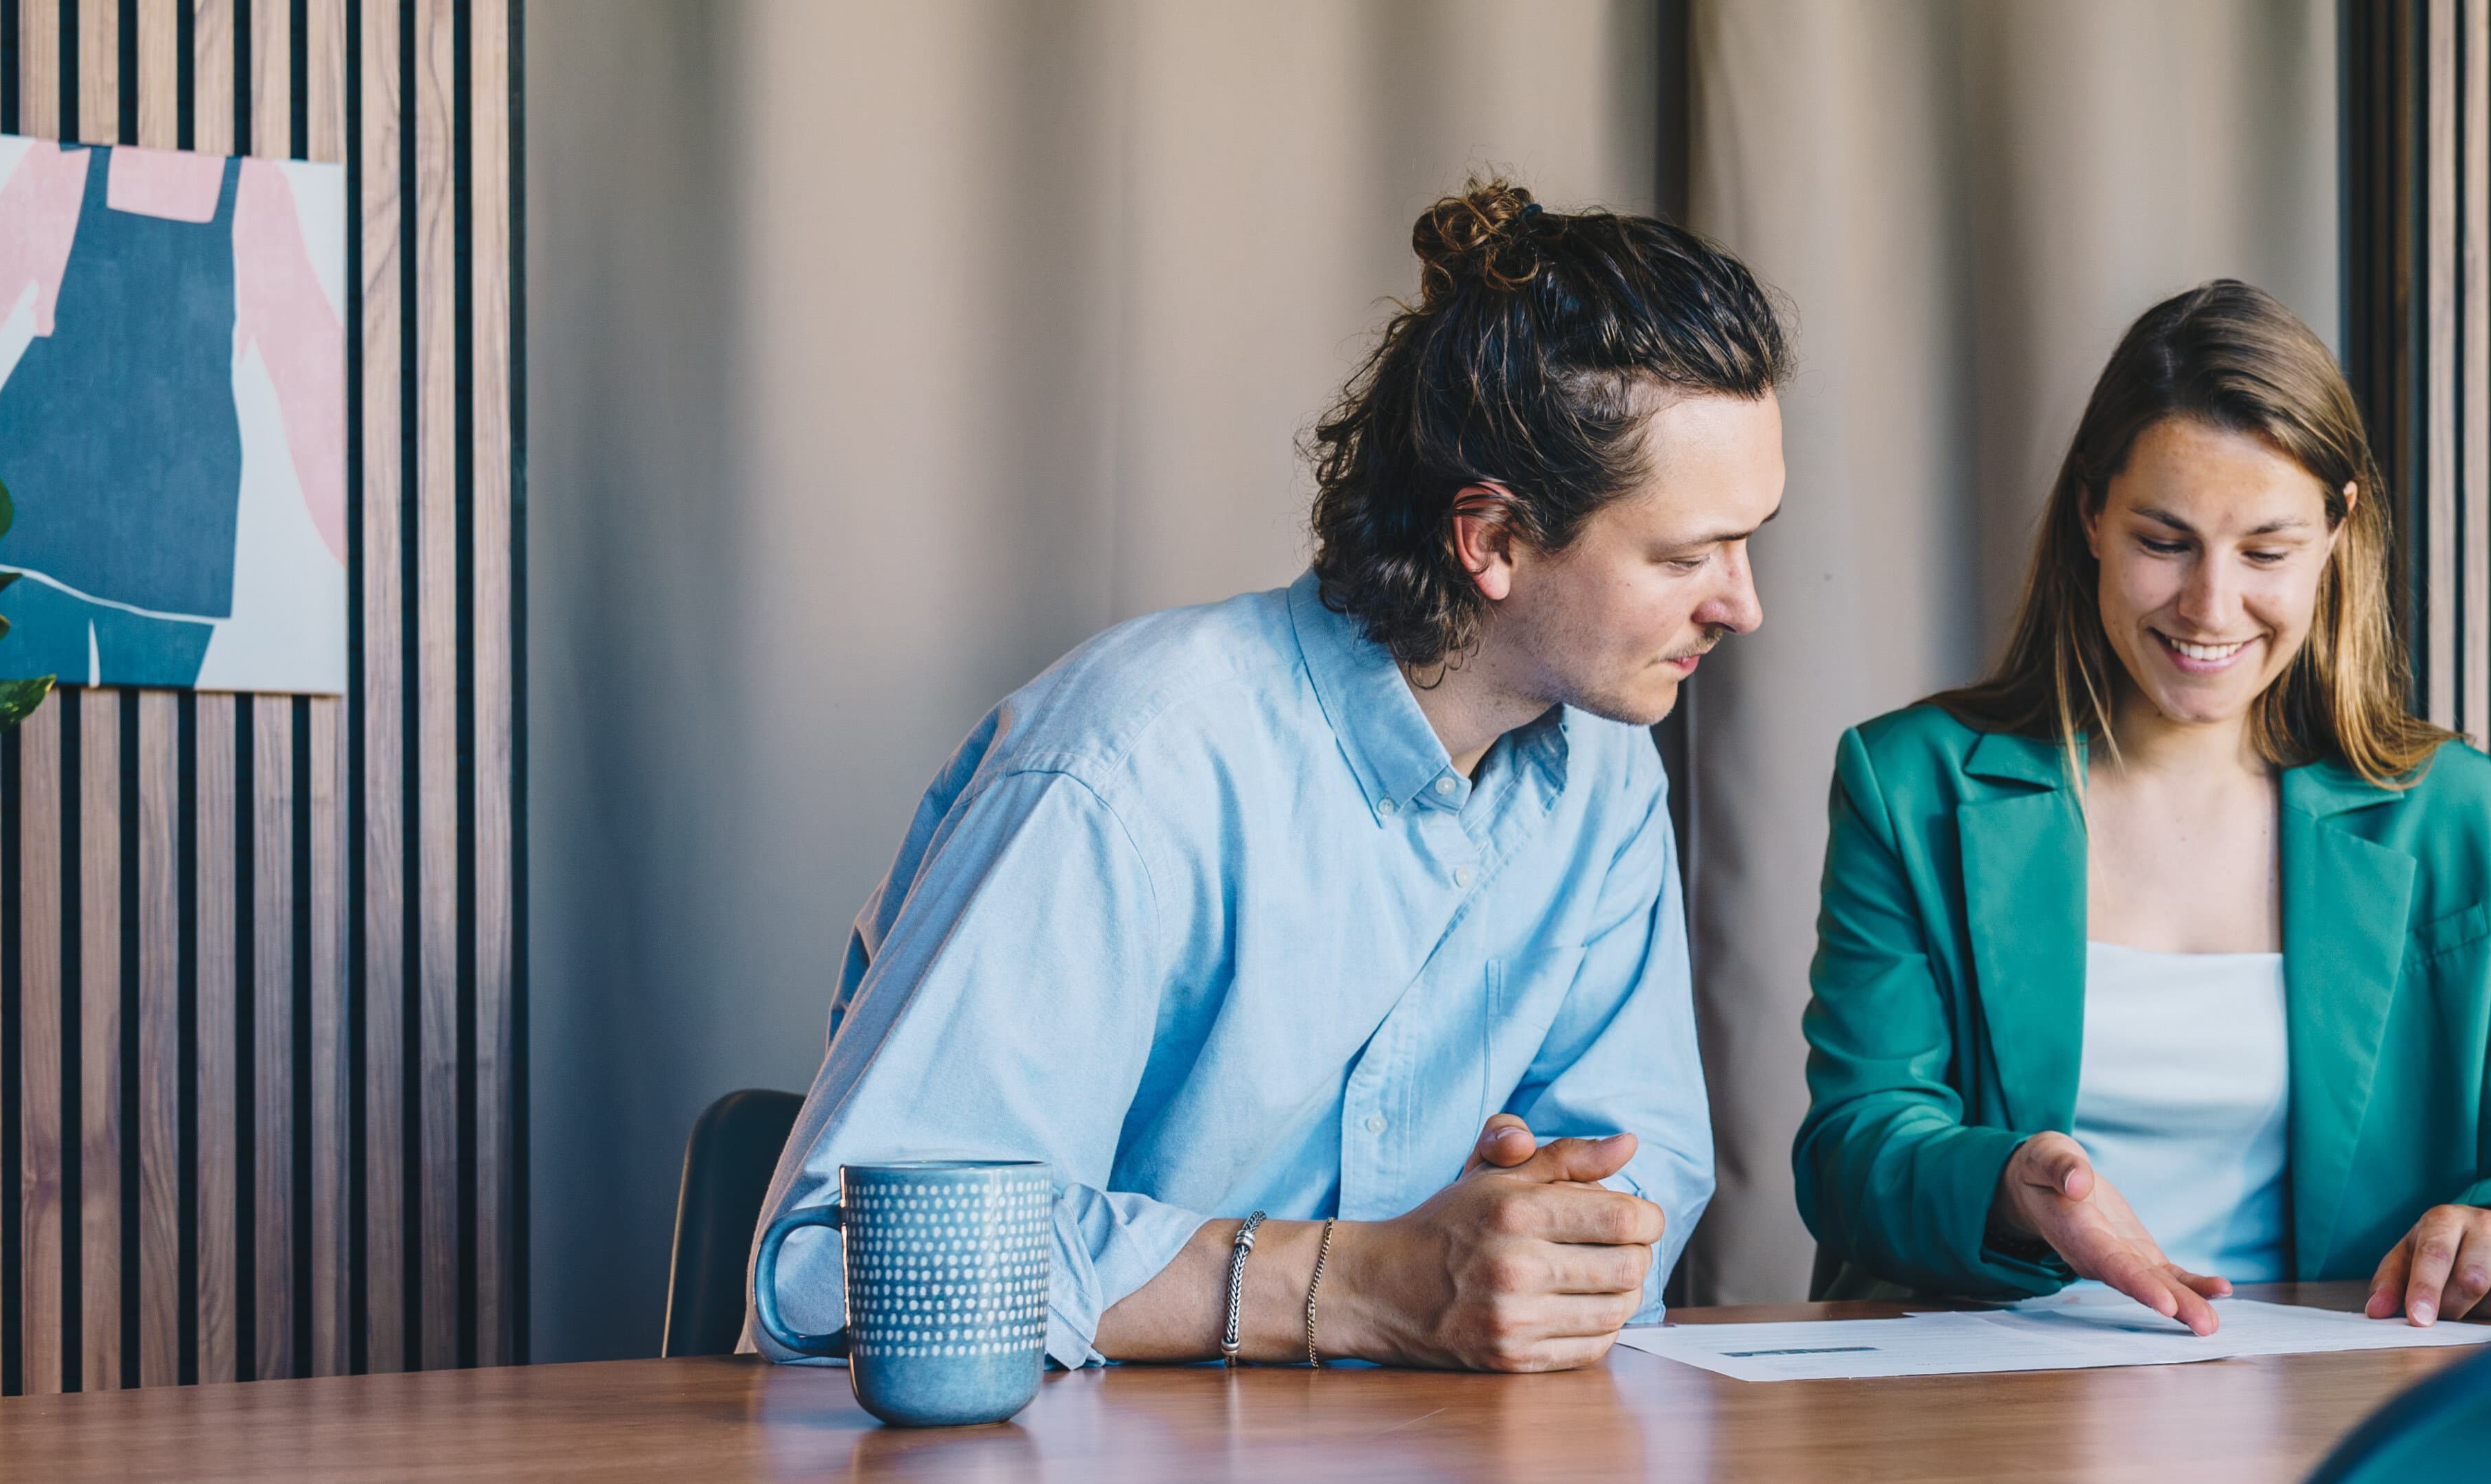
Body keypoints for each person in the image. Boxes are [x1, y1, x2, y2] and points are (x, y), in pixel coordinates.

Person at [752, 180, 1788, 1374]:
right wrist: (1348, 1282)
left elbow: (1628, 1192)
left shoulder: (1606, 777)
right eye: (1686, 555)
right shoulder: (1123, 768)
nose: (1743, 604)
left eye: (1748, 539)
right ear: (1491, 539)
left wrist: (1536, 1248)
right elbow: (838, 1259)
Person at [1791, 282, 2491, 1337]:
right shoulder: (1911, 782)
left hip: (2337, 1395)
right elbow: (1852, 1148)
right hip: (1995, 1399)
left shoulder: (2446, 812)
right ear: (2091, 516)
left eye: (2264, 550)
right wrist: (2005, 1181)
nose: (2209, 606)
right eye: (2165, 540)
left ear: (2336, 533)